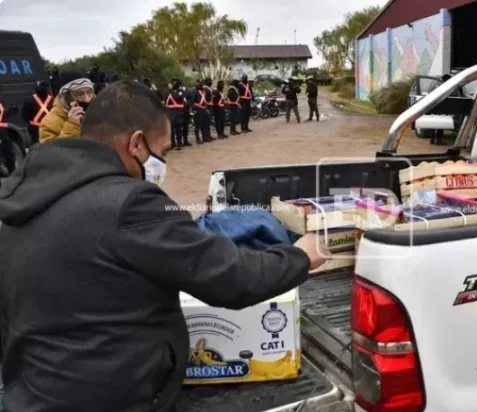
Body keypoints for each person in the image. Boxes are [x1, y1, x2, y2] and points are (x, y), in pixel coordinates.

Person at [0, 80, 330, 411]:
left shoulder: (22, 196)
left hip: (30, 394)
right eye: (165, 151)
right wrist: (300, 255)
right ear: (137, 144)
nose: (164, 164)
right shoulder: (128, 202)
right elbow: (232, 278)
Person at [39, 72, 94, 143]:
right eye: (80, 94)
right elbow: (49, 152)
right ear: (67, 98)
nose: (87, 99)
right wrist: (72, 126)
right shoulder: (49, 122)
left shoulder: (98, 111)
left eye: (89, 92)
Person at [20, 81, 53, 145]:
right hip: (50, 129)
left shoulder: (30, 101)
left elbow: (25, 115)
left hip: (35, 130)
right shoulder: (52, 100)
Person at [0, 82, 18, 181]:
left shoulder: (1, 102)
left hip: (3, 133)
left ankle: (12, 174)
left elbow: (3, 115)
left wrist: (12, 111)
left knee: (9, 154)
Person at [165, 79, 187, 150]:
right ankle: (172, 143)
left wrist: (172, 92)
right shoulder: (168, 92)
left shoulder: (181, 92)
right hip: (170, 112)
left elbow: (178, 97)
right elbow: (166, 101)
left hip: (178, 112)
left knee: (178, 129)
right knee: (171, 129)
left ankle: (179, 143)